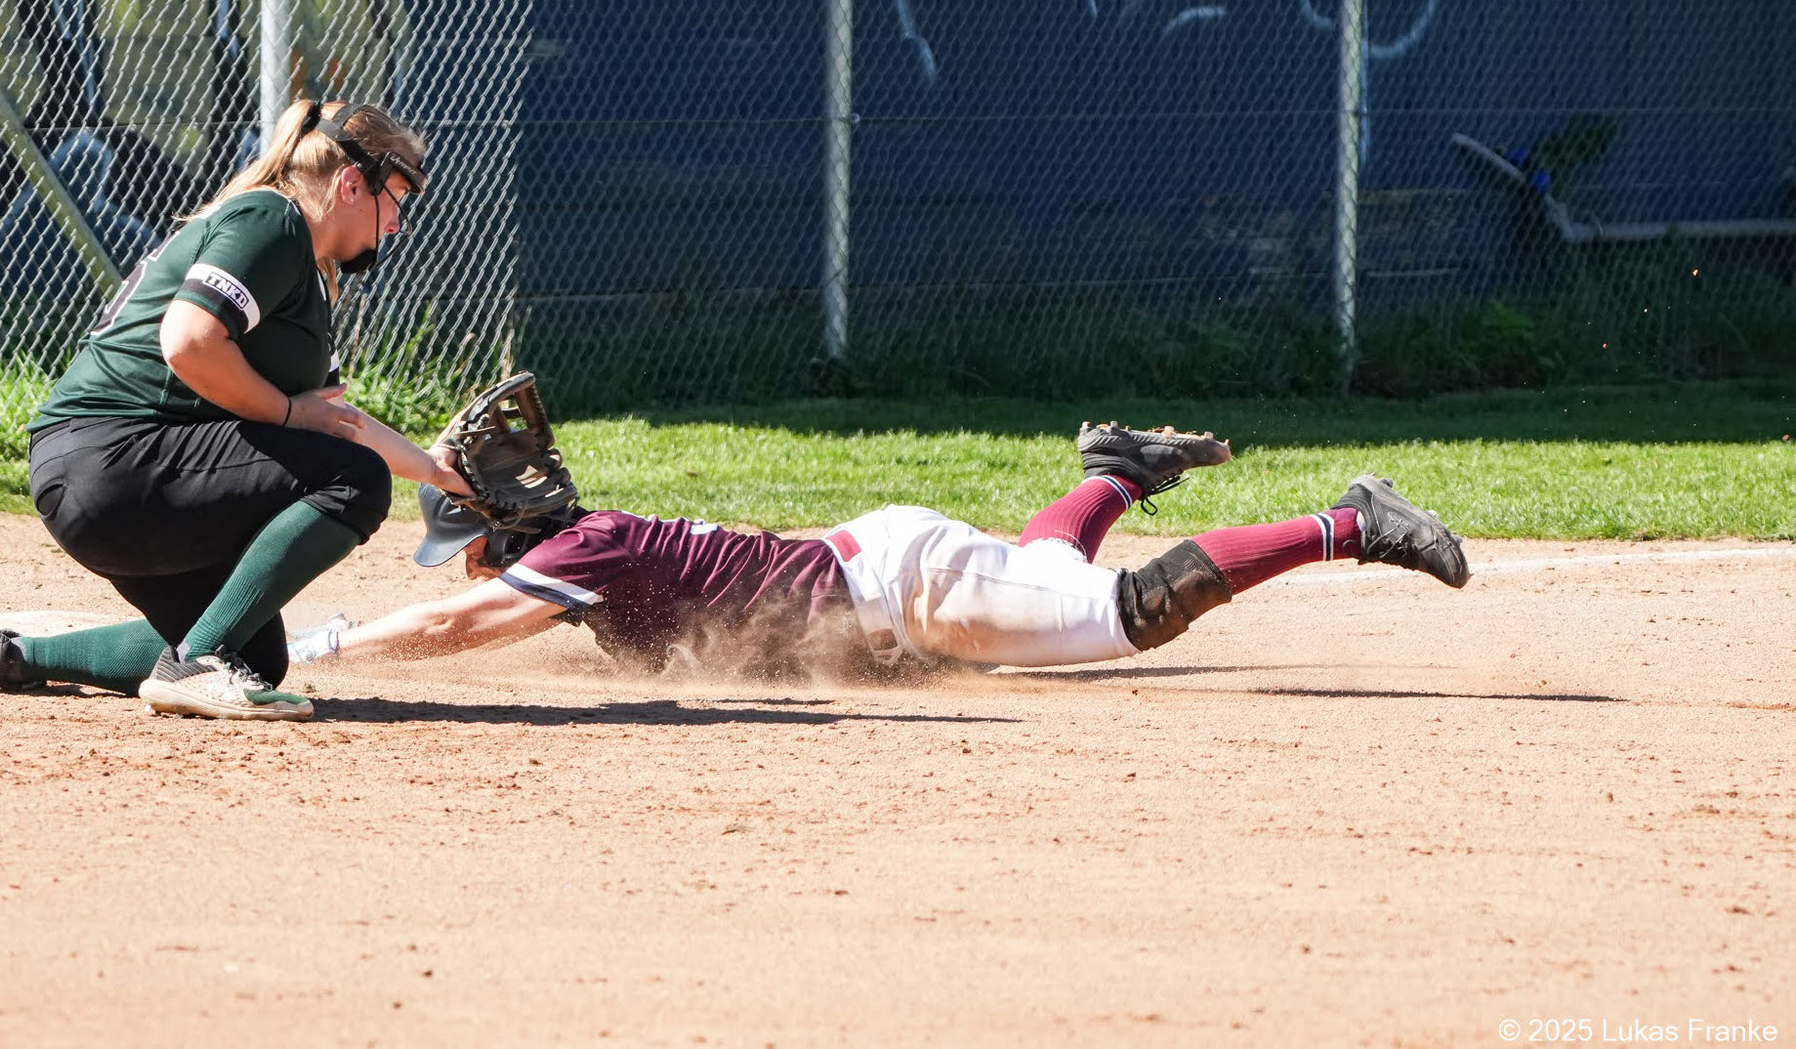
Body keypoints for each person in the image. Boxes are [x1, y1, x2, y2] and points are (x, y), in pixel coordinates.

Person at [0, 99, 475, 720]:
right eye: (397, 195)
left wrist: (441, 472)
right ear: (350, 181)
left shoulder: (302, 262)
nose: (397, 224)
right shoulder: (272, 219)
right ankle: (197, 664)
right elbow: (189, 342)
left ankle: (17, 657)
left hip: (107, 477)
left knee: (254, 655)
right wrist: (284, 413)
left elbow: (337, 420)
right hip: (115, 458)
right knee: (352, 480)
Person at [287, 424, 1469, 680]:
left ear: (507, 533)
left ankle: (1349, 521)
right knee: (1043, 588)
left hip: (907, 582)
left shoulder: (584, 555)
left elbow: (449, 629)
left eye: (472, 544)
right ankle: (1116, 469)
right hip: (893, 572)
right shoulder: (590, 560)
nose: (469, 568)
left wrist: (329, 644)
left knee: (1124, 613)